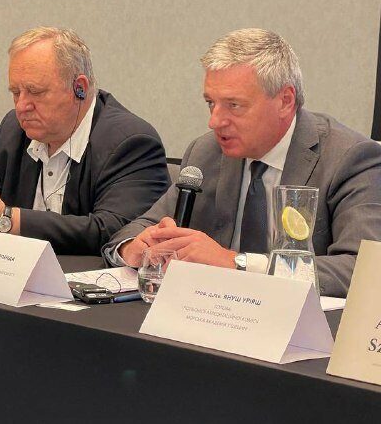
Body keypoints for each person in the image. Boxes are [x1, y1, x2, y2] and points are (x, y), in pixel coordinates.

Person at [103, 28, 381, 297]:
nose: (214, 121)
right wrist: (133, 248)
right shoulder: (206, 152)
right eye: (211, 103)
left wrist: (237, 263)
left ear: (285, 101)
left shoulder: (349, 158)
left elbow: (363, 270)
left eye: (234, 105)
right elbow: (139, 228)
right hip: (211, 312)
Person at [0, 26, 170, 255]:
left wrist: (6, 219)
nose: (21, 106)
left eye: (35, 92)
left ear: (79, 88)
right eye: (16, 93)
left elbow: (116, 231)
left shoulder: (131, 141)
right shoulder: (14, 129)